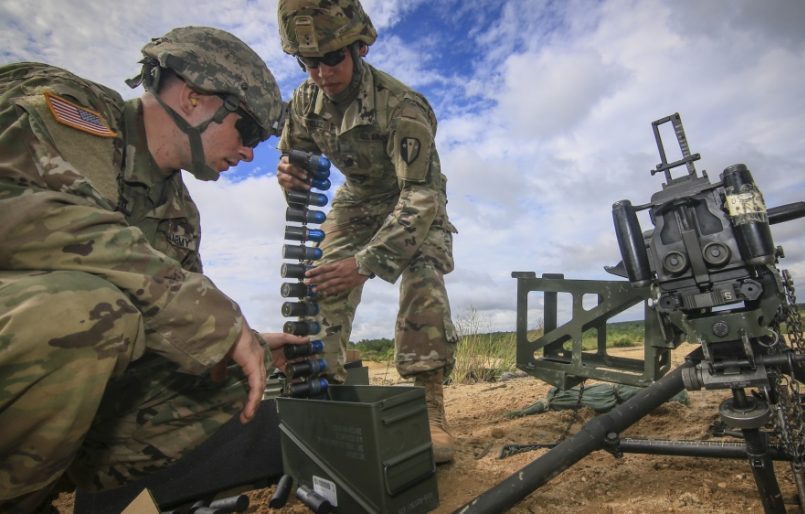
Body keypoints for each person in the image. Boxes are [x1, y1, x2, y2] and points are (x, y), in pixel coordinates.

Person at [0, 27, 300, 511]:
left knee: (236, 369)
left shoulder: (178, 212)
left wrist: (248, 342)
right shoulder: (70, 112)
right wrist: (215, 322)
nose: (249, 153)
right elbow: (31, 216)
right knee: (87, 312)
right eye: (247, 131)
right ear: (194, 98)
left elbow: (174, 327)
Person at [276, 0, 460, 463]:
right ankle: (325, 398)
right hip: (358, 198)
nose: (320, 73)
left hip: (413, 196)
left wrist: (363, 265)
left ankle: (427, 405)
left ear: (358, 48)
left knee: (422, 277)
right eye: (309, 62)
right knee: (317, 283)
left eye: (332, 58)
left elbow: (421, 197)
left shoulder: (403, 106)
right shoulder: (302, 102)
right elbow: (297, 160)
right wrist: (291, 177)